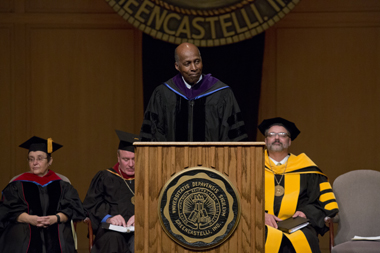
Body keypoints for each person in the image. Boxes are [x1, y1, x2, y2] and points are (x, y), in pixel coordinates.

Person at [258, 117, 339, 253]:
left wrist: (305, 213)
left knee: (305, 238)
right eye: (271, 135)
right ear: (265, 141)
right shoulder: (252, 167)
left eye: (282, 135)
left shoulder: (307, 168)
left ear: (289, 141)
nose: (277, 138)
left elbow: (321, 203)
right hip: (260, 223)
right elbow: (241, 199)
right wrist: (259, 214)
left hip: (298, 225)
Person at [140, 42, 248, 142]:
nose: (194, 68)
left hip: (212, 161)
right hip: (172, 161)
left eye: (197, 61)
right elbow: (152, 135)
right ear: (177, 66)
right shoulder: (163, 94)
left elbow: (234, 136)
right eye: (187, 63)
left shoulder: (222, 94)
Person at [0, 136, 85, 253]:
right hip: (24, 229)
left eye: (40, 159)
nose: (35, 163)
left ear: (50, 161)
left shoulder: (62, 184)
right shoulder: (17, 184)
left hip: (55, 228)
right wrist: (29, 219)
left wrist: (55, 218)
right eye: (31, 159)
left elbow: (73, 209)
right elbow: (7, 210)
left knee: (62, 235)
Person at [83, 130, 139, 253]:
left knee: (142, 240)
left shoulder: (147, 179)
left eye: (134, 159)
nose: (131, 164)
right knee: (113, 239)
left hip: (140, 229)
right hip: (110, 232)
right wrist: (108, 218)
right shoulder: (105, 177)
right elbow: (90, 205)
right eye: (126, 159)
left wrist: (142, 217)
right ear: (118, 157)